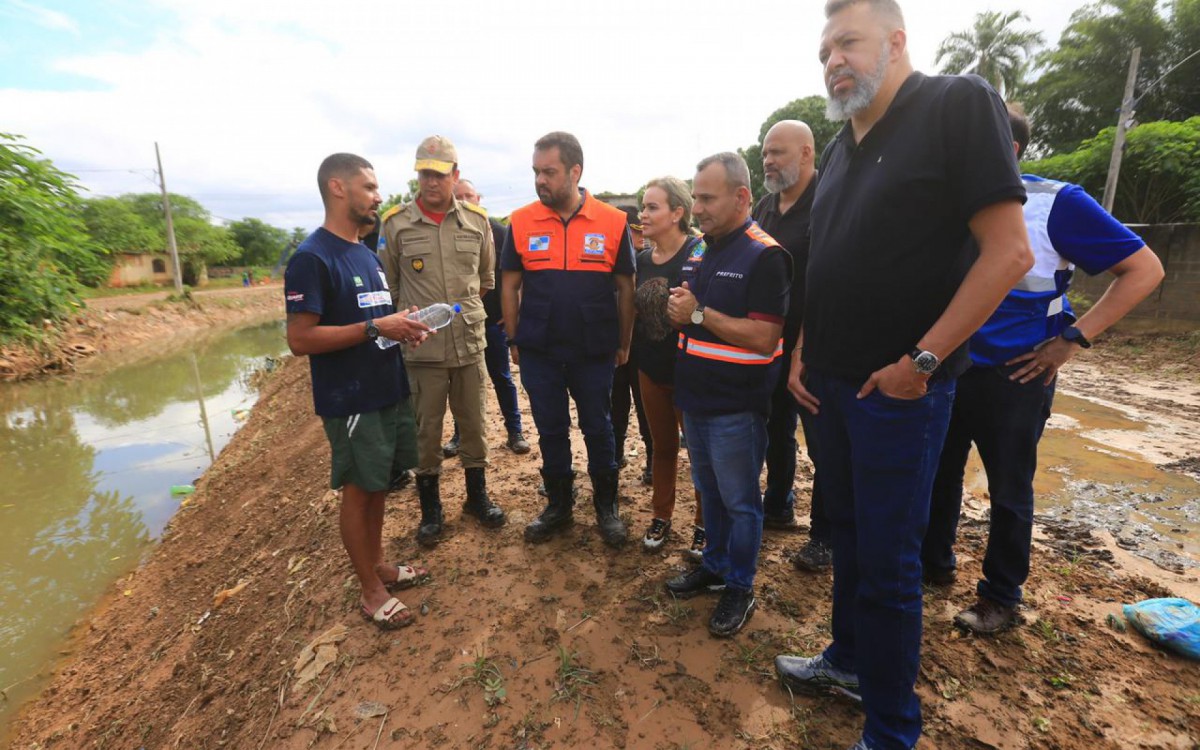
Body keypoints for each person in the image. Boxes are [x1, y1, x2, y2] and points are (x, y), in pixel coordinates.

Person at [772, 2, 1034, 748]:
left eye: (847, 42)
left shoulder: (957, 104)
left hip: (900, 394)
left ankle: (892, 731)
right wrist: (801, 353)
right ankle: (848, 661)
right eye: (824, 50)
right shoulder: (845, 141)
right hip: (832, 386)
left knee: (888, 566)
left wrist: (920, 362)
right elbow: (828, 263)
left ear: (895, 41)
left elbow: (1008, 253)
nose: (833, 61)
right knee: (850, 540)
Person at [921, 106, 1165, 633]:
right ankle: (932, 565)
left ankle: (1001, 597)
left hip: (1015, 375)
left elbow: (1145, 269)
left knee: (1009, 488)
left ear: (1004, 152)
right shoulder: (945, 205)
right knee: (937, 474)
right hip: (948, 368)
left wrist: (1071, 342)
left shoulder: (1056, 204)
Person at [284, 152, 432, 630]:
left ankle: (381, 566)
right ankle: (370, 591)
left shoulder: (366, 254)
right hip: (350, 398)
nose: (378, 196)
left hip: (386, 387)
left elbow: (374, 322)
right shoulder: (312, 258)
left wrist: (402, 326)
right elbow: (300, 339)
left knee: (380, 485)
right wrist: (376, 327)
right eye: (369, 187)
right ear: (337, 187)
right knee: (359, 489)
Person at [663, 152, 790, 638]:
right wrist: (682, 313)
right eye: (694, 197)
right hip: (696, 396)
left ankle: (740, 585)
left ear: (741, 197)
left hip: (737, 405)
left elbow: (763, 338)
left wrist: (696, 314)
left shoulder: (766, 255)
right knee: (710, 491)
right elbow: (689, 310)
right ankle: (714, 566)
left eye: (706, 198)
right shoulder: (702, 249)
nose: (697, 208)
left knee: (740, 501)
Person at [500, 131, 636, 548]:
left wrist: (624, 343)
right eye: (536, 172)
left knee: (598, 426)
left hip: (593, 350)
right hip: (539, 349)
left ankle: (606, 508)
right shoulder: (520, 222)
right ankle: (558, 506)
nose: (540, 180)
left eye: (549, 172)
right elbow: (508, 285)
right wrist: (512, 338)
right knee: (551, 428)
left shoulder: (613, 222)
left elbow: (626, 288)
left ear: (575, 171)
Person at [378, 136, 506, 547]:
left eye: (438, 173)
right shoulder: (395, 223)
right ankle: (431, 512)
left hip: (468, 343)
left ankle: (477, 498)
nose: (430, 182)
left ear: (454, 174)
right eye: (423, 173)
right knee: (425, 431)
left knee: (474, 424)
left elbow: (486, 280)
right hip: (422, 348)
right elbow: (391, 288)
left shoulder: (476, 220)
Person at [752, 119, 832, 571]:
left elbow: (830, 282)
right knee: (774, 426)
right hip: (769, 341)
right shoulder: (765, 207)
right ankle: (779, 502)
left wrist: (802, 347)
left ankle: (825, 535)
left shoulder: (828, 203)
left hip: (816, 342)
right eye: (765, 152)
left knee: (822, 440)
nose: (768, 160)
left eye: (777, 152)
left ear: (806, 153)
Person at [632, 177, 705, 553]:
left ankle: (703, 524)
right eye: (643, 206)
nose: (643, 214)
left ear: (678, 212)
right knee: (662, 447)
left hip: (689, 372)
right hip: (650, 370)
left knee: (698, 450)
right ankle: (661, 516)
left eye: (652, 207)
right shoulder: (643, 259)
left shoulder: (700, 254)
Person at [440, 179, 532, 457]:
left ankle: (515, 431)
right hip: (460, 321)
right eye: (460, 196)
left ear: (479, 198)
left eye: (470, 195)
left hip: (492, 320)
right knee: (461, 381)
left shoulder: (500, 232)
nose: (466, 201)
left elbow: (516, 276)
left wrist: (511, 312)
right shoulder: (445, 233)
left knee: (501, 375)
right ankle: (460, 434)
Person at [611, 205, 654, 483]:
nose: (639, 238)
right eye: (633, 232)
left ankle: (653, 458)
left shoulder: (650, 260)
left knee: (646, 406)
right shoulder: (608, 262)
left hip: (643, 345)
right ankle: (614, 455)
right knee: (615, 405)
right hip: (613, 344)